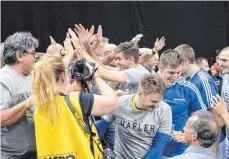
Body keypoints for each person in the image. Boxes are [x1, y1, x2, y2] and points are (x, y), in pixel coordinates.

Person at [32, 56, 119, 158]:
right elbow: (114, 102)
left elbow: (58, 96)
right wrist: (96, 75)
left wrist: (75, 85)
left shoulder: (39, 106)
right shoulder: (76, 100)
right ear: (62, 77)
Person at [96, 74, 172, 159]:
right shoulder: (120, 103)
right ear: (140, 94)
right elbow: (100, 128)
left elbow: (158, 147)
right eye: (153, 101)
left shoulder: (164, 110)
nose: (158, 105)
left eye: (160, 101)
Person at [158, 49, 207, 157]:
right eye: (171, 72)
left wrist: (188, 135)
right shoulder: (149, 87)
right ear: (160, 68)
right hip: (155, 149)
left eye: (178, 72)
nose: (175, 76)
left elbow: (203, 116)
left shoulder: (188, 88)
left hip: (181, 151)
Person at [0, 31, 39, 158]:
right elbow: (1, 119)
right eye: (32, 53)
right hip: (12, 156)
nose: (36, 56)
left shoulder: (33, 75)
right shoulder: (4, 79)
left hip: (36, 153)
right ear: (19, 55)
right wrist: (28, 103)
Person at [218, 46, 229, 158]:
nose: (220, 63)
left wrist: (224, 113)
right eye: (220, 59)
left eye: (224, 60)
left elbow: (224, 112)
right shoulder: (225, 77)